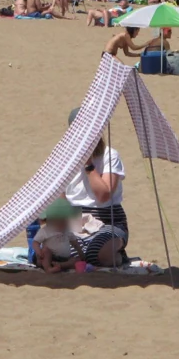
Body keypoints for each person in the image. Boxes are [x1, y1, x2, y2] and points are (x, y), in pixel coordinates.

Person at [63, 107, 128, 266]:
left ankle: (116, 254)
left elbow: (103, 195)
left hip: (107, 220)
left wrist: (88, 165)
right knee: (54, 252)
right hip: (76, 220)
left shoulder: (109, 155)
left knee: (96, 254)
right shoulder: (65, 156)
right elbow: (59, 196)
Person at [32, 198, 88, 274]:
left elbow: (75, 243)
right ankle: (48, 268)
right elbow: (35, 242)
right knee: (45, 250)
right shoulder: (45, 231)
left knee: (76, 260)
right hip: (50, 257)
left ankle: (61, 265)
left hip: (64, 259)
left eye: (65, 221)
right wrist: (38, 251)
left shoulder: (67, 231)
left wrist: (81, 253)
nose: (63, 224)